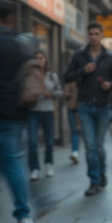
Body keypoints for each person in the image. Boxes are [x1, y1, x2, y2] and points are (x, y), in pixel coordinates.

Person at [0, 0, 41, 223]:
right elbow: (33, 76)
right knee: (14, 164)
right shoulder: (21, 43)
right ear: (11, 18)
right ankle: (24, 217)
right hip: (13, 114)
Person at [64, 21, 112, 196]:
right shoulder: (79, 55)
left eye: (97, 33)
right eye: (91, 34)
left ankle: (101, 171)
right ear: (88, 36)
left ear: (102, 35)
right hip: (85, 105)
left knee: (99, 146)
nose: (94, 36)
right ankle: (94, 180)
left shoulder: (110, 57)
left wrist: (110, 85)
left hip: (104, 106)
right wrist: (83, 70)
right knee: (90, 146)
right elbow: (66, 76)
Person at [28, 50, 63, 180]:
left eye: (41, 58)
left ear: (45, 60)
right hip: (33, 111)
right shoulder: (30, 76)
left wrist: (51, 94)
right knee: (32, 141)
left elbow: (60, 92)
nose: (39, 60)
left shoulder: (52, 76)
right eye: (36, 58)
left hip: (47, 110)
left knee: (49, 140)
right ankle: (34, 168)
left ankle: (49, 164)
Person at [63, 81, 80, 164]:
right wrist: (68, 94)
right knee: (74, 130)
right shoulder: (70, 79)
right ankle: (75, 152)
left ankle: (76, 151)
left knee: (78, 130)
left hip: (82, 108)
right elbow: (65, 93)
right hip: (71, 107)